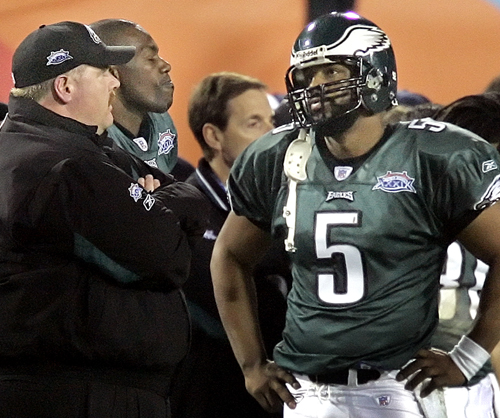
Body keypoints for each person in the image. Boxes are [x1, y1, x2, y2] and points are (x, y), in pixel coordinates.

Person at [210, 11, 500, 418]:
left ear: (376, 75)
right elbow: (229, 255)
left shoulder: (431, 157)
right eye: (307, 75)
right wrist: (252, 364)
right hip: (307, 393)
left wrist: (468, 357)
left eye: (332, 71)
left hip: (396, 387)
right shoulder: (277, 157)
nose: (316, 87)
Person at [0, 21, 207, 418]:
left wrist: (158, 201)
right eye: (104, 73)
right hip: (77, 395)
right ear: (65, 87)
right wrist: (161, 211)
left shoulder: (70, 148)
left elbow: (186, 197)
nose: (115, 84)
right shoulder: (65, 165)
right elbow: (166, 255)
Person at [170, 71, 289, 418]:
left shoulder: (289, 202)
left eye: (272, 121)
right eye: (254, 123)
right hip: (208, 399)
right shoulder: (184, 212)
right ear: (214, 136)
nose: (271, 135)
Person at [90, 18, 193, 179]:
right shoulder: (91, 149)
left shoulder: (159, 122)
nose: (166, 66)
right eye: (150, 58)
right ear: (113, 74)